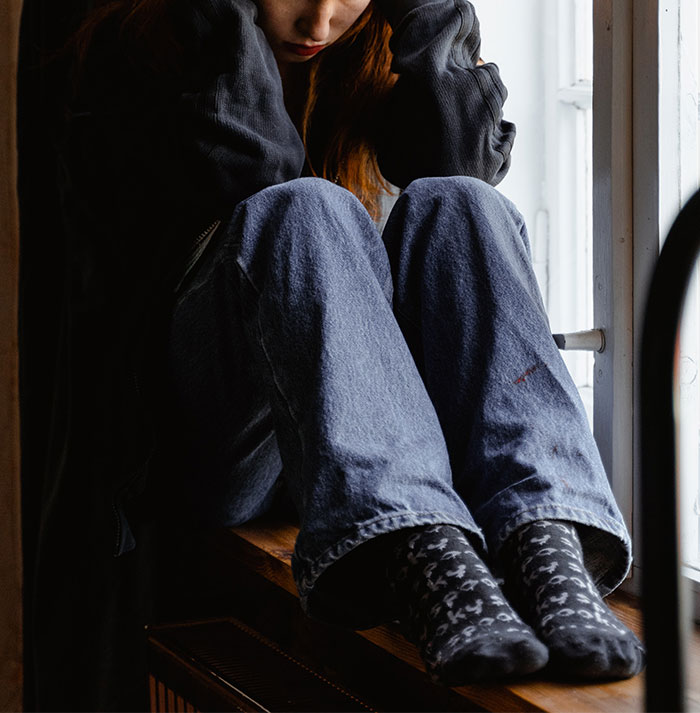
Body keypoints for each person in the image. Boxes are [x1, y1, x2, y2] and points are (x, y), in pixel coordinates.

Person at [58, 0, 645, 692]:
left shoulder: (377, 49)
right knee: (303, 206)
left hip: (361, 442)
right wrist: (223, 22)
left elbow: (464, 165)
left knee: (465, 202)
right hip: (218, 446)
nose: (318, 21)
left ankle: (546, 542)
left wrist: (426, 14)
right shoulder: (144, 51)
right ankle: (422, 553)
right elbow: (260, 185)